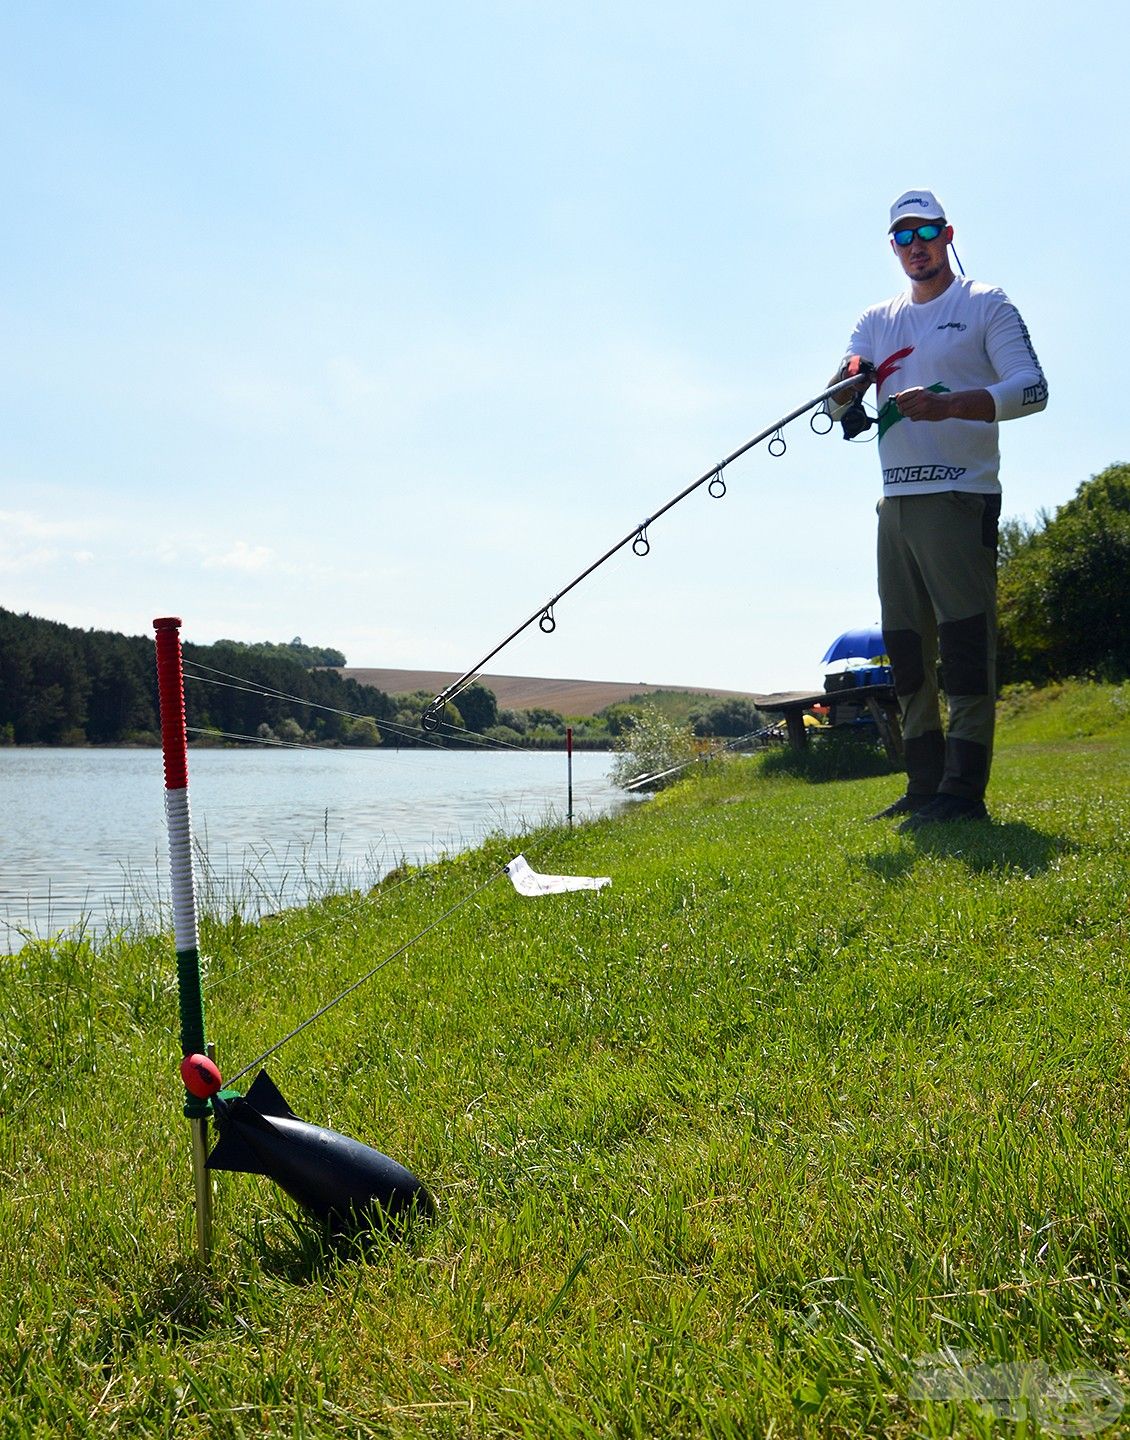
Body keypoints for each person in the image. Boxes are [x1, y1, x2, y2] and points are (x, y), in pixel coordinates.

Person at [831, 189, 1047, 831]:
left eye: (926, 231)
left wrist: (953, 405)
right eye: (903, 236)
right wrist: (845, 386)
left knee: (964, 643)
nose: (915, 244)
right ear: (893, 248)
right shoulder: (875, 318)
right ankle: (923, 784)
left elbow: (1031, 388)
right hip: (893, 504)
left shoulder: (986, 303)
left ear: (947, 234)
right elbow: (840, 401)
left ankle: (963, 791)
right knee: (906, 650)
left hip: (960, 495)